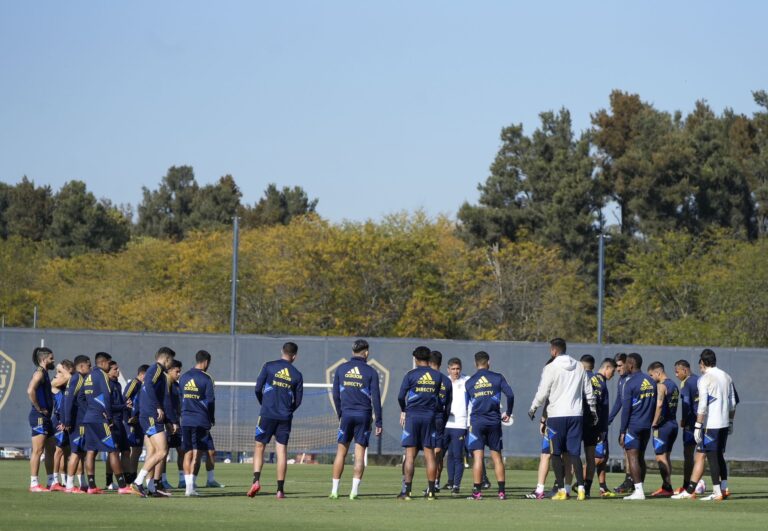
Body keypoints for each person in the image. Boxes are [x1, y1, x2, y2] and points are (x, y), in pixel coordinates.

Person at [528, 338, 596, 502]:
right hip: (576, 415)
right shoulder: (579, 366)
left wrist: (533, 407)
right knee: (574, 453)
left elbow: (543, 391)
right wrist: (593, 410)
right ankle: (580, 489)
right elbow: (588, 391)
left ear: (553, 350)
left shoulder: (551, 367)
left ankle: (561, 491)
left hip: (556, 416)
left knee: (556, 453)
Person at [672, 349, 737, 501]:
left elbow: (702, 406)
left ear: (703, 362)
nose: (699, 366)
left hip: (711, 424)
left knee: (712, 457)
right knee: (719, 455)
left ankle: (717, 492)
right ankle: (722, 488)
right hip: (724, 423)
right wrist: (731, 421)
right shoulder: (726, 376)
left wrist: (697, 426)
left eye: (700, 362)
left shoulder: (705, 379)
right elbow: (732, 403)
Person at [248, 342, 304, 499]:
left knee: (259, 447)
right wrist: (288, 410)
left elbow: (257, 388)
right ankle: (280, 490)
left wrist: (264, 403)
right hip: (284, 417)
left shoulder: (269, 366)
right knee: (281, 451)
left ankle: (256, 480)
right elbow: (298, 401)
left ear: (282, 351)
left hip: (267, 413)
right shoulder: (297, 374)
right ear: (294, 356)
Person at [329, 339, 383, 500]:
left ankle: (334, 491)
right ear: (366, 353)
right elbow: (376, 399)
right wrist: (379, 421)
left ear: (353, 352)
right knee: (359, 455)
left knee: (341, 453)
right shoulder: (371, 372)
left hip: (346, 414)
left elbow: (336, 395)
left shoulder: (341, 369)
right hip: (364, 415)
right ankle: (354, 492)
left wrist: (340, 413)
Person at [465, 351, 514, 501]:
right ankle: (501, 492)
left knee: (478, 458)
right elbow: (510, 395)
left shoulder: (470, 382)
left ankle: (477, 493)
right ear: (489, 362)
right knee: (497, 457)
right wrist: (509, 412)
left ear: (475, 364)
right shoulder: (498, 377)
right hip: (494, 422)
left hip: (477, 422)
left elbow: (467, 405)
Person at [82, 352, 131, 495]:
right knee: (113, 451)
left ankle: (91, 486)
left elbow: (81, 397)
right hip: (100, 419)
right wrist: (109, 418)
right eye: (109, 364)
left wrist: (90, 409)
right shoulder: (102, 375)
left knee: (91, 451)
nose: (110, 366)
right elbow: (107, 397)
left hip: (89, 418)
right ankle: (122, 486)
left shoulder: (88, 376)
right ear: (103, 363)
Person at [397, 346, 441, 500]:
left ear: (415, 359)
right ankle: (431, 492)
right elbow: (442, 399)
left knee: (410, 455)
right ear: (429, 359)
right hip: (429, 417)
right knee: (430, 455)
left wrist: (404, 409)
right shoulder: (437, 376)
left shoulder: (410, 375)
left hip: (413, 417)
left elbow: (401, 396)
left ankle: (407, 492)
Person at [131, 347, 176, 497]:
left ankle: (151, 487)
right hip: (151, 415)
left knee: (154, 452)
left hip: (149, 415)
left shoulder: (160, 374)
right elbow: (148, 385)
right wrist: (157, 407)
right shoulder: (156, 368)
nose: (171, 365)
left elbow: (164, 399)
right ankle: (138, 482)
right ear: (167, 359)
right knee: (162, 451)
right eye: (171, 361)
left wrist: (170, 421)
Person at [618, 353, 656, 500]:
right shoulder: (651, 381)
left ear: (631, 365)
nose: (624, 366)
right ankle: (639, 488)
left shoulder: (630, 383)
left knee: (632, 457)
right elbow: (653, 405)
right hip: (647, 426)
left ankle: (638, 491)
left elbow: (626, 409)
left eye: (626, 363)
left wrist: (622, 431)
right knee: (640, 458)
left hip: (634, 425)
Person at [180, 350, 216, 497]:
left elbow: (180, 398)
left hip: (185, 419)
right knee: (197, 453)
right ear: (206, 362)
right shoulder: (207, 379)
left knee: (187, 452)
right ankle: (191, 488)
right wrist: (211, 418)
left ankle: (188, 487)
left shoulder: (184, 377)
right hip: (200, 420)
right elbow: (211, 401)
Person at [674, 359, 705, 495]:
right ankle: (721, 485)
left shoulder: (686, 383)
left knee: (688, 454)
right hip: (704, 421)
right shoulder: (700, 380)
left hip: (692, 424)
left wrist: (684, 420)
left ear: (685, 370)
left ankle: (688, 485)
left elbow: (686, 404)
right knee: (708, 454)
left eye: (677, 372)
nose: (676, 375)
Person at [648, 361, 679, 497]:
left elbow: (659, 405)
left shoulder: (661, 386)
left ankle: (667, 487)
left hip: (663, 427)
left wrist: (654, 423)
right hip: (673, 424)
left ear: (658, 373)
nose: (650, 379)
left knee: (660, 458)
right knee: (666, 457)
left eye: (651, 375)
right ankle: (667, 485)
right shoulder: (674, 385)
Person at [27, 347, 56, 492]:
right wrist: (38, 407)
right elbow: (30, 390)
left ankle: (51, 482)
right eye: (51, 358)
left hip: (46, 418)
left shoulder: (45, 373)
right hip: (39, 417)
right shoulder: (39, 373)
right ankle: (34, 484)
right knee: (38, 450)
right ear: (44, 360)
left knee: (51, 449)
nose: (53, 361)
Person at [62, 355, 91, 493]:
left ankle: (82, 483)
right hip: (77, 421)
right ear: (81, 366)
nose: (90, 368)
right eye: (88, 366)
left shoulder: (79, 378)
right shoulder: (78, 378)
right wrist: (66, 420)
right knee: (75, 452)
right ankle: (69, 485)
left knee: (80, 452)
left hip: (80, 421)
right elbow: (68, 399)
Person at [607, 352, 633, 493]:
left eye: (620, 365)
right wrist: (609, 419)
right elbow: (619, 401)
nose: (617, 369)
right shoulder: (621, 380)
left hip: (633, 421)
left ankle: (632, 480)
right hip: (626, 422)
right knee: (627, 451)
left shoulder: (632, 379)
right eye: (616, 366)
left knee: (632, 452)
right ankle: (631, 480)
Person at [443, 357, 468, 495]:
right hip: (446, 424)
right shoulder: (444, 381)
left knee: (458, 455)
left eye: (458, 368)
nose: (455, 371)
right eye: (453, 369)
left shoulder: (467, 381)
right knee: (445, 455)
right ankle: (447, 482)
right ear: (448, 369)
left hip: (460, 424)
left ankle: (456, 486)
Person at [592, 358, 616, 497]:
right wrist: (597, 426)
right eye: (613, 371)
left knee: (604, 457)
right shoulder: (598, 382)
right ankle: (578, 480)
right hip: (598, 427)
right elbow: (595, 405)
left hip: (602, 427)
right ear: (607, 368)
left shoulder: (601, 381)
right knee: (598, 458)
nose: (613, 374)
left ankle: (603, 488)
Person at [428, 351, 452, 494]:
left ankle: (408, 486)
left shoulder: (426, 378)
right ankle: (436, 482)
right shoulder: (446, 380)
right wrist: (445, 418)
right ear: (441, 364)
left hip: (426, 416)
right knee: (438, 451)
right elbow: (449, 404)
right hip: (440, 418)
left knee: (426, 451)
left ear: (429, 363)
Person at [157, 359, 182, 492]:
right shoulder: (164, 383)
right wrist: (169, 422)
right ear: (169, 370)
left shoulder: (177, 386)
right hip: (166, 422)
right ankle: (161, 480)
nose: (179, 374)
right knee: (163, 451)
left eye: (180, 371)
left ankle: (182, 479)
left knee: (181, 450)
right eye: (177, 371)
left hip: (175, 421)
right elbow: (165, 404)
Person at [105, 360, 130, 490]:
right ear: (108, 371)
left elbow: (119, 404)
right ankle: (115, 483)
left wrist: (125, 404)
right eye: (115, 369)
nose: (118, 371)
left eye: (118, 368)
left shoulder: (117, 384)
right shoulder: (107, 384)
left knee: (126, 451)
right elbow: (108, 406)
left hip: (120, 422)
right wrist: (123, 406)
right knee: (113, 452)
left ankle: (127, 481)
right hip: (112, 422)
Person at [50, 359, 75, 491]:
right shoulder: (54, 382)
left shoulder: (67, 384)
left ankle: (64, 480)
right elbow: (70, 377)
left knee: (67, 452)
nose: (62, 375)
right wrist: (61, 370)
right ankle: (54, 480)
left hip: (67, 420)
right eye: (61, 372)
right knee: (59, 451)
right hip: (59, 421)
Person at [123, 364, 148, 484]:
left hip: (138, 422)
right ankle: (128, 478)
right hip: (131, 422)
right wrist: (128, 417)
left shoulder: (142, 386)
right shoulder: (134, 383)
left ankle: (133, 476)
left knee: (137, 451)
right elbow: (124, 398)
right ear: (142, 374)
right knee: (131, 450)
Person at [578, 355, 599, 498]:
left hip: (577, 420)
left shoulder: (578, 378)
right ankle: (588, 488)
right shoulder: (600, 381)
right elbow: (603, 405)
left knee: (571, 454)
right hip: (593, 422)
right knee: (591, 457)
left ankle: (567, 486)